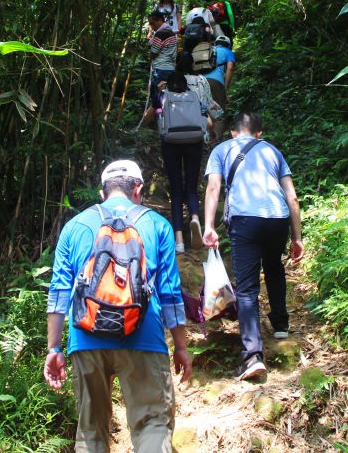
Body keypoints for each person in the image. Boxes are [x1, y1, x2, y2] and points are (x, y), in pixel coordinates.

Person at [45, 160, 193, 452]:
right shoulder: (157, 225)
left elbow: (59, 291)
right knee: (152, 423)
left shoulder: (74, 226)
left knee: (90, 432)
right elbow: (170, 293)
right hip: (144, 337)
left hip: (85, 338)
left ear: (102, 193)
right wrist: (181, 347)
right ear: (138, 189)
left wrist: (54, 348)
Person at [201, 112, 304, 381]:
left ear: (233, 132)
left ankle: (253, 355)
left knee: (246, 288)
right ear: (259, 133)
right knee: (273, 266)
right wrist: (297, 237)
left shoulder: (221, 150)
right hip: (277, 218)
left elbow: (213, 189)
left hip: (244, 218)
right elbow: (292, 197)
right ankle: (281, 324)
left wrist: (208, 226)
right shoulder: (272, 151)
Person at [158, 68, 211, 253]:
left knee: (176, 190)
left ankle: (179, 240)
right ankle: (195, 218)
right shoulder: (195, 96)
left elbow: (153, 116)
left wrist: (159, 92)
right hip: (194, 142)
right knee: (191, 187)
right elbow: (209, 123)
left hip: (170, 143)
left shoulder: (162, 97)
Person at [147, 8, 177, 110]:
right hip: (170, 69)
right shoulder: (170, 32)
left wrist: (150, 55)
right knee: (166, 97)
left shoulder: (161, 33)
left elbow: (154, 52)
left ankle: (157, 122)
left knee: (157, 98)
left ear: (160, 20)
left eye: (153, 23)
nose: (152, 26)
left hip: (161, 70)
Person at [204, 34, 236, 124]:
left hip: (200, 81)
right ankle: (217, 136)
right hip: (216, 82)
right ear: (228, 45)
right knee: (219, 111)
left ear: (215, 43)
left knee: (203, 108)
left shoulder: (208, 50)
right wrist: (225, 88)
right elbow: (230, 68)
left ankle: (204, 134)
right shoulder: (228, 52)